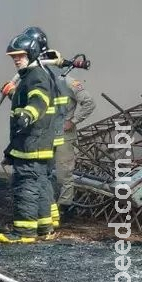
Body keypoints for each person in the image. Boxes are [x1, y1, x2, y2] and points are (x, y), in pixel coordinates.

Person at [21, 27, 96, 228]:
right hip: (46, 134)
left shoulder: (68, 82)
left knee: (64, 173)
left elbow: (88, 102)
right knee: (45, 172)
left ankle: (65, 207)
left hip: (64, 135)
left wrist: (73, 121)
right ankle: (48, 207)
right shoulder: (40, 82)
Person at [0, 34, 56, 244]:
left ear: (31, 54)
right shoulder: (29, 76)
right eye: (13, 57)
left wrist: (28, 114)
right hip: (36, 144)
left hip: (30, 144)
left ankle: (24, 232)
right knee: (39, 186)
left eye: (20, 56)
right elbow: (26, 97)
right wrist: (12, 93)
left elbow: (40, 99)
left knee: (26, 187)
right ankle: (44, 228)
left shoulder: (36, 76)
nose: (16, 59)